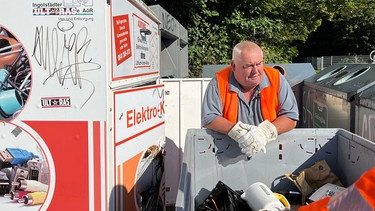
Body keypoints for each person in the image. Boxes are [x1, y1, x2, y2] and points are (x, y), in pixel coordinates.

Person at [201, 41, 299, 156]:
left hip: (271, 154)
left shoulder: (276, 79)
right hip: (228, 155)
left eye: (259, 64)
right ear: (233, 66)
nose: (255, 71)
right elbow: (209, 117)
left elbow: (291, 116)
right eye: (249, 66)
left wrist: (264, 133)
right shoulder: (219, 82)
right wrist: (239, 133)